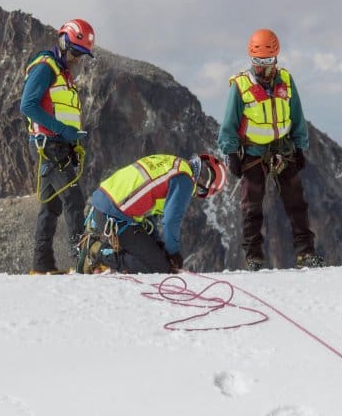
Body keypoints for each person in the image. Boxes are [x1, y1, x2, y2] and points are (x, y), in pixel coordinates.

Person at [217, 28, 324, 271]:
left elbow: (297, 115)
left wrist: (299, 147)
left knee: (296, 203)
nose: (261, 66)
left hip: (283, 150)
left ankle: (306, 253)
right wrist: (231, 153)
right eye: (257, 60)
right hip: (253, 153)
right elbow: (229, 124)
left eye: (266, 60)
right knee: (252, 207)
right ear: (251, 58)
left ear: (275, 57)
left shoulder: (286, 81)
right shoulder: (241, 86)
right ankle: (253, 258)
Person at [21, 18, 96, 274]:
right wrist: (62, 131)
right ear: (63, 42)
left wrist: (71, 140)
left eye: (82, 55)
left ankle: (41, 265)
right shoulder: (46, 67)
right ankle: (83, 261)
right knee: (74, 199)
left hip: (58, 145)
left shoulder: (62, 74)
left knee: (50, 205)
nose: (77, 58)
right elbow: (28, 105)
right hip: (48, 145)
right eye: (75, 51)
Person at [78, 152, 227, 274]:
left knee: (156, 255)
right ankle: (97, 251)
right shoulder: (185, 179)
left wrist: (158, 244)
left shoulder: (173, 163)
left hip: (104, 206)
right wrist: (172, 253)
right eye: (206, 175)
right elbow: (170, 221)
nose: (201, 178)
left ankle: (106, 255)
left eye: (206, 179)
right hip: (115, 216)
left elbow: (151, 215)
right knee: (159, 268)